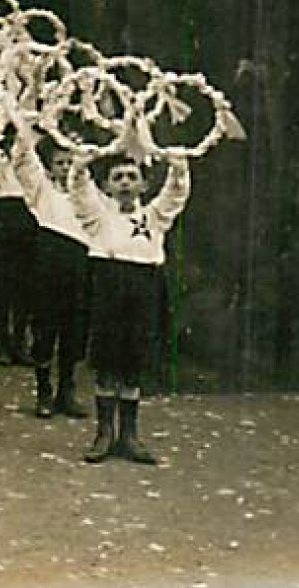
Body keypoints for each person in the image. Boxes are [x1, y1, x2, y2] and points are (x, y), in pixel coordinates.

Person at [71, 152, 191, 465]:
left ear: (144, 185)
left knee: (133, 365)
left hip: (143, 289)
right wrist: (81, 165)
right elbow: (80, 191)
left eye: (131, 177)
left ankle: (130, 435)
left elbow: (175, 195)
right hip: (108, 289)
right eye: (118, 177)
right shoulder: (98, 217)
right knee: (107, 363)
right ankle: (104, 434)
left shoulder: (154, 217)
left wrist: (178, 167)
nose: (125, 183)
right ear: (107, 186)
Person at [11, 125, 91, 420]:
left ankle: (66, 392)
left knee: (75, 329)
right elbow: (22, 160)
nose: (67, 168)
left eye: (70, 162)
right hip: (48, 260)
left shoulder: (87, 195)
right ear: (49, 167)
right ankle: (44, 391)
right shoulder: (42, 190)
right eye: (60, 163)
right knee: (46, 327)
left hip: (80, 262)